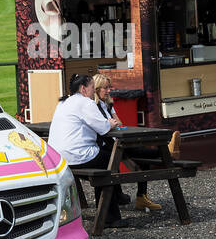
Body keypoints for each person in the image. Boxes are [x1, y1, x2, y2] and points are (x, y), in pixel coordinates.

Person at [48, 73, 126, 227]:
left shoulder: (63, 103)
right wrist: (110, 123)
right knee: (110, 160)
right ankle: (109, 217)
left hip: (59, 158)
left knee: (107, 156)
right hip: (78, 157)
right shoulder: (86, 103)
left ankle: (117, 198)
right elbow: (103, 128)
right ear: (83, 89)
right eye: (92, 87)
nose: (93, 91)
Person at [93, 74, 161, 212]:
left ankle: (141, 197)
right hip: (104, 146)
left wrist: (111, 124)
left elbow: (119, 123)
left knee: (142, 157)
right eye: (105, 88)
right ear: (96, 88)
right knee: (140, 154)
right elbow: (103, 127)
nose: (108, 91)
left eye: (109, 88)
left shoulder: (107, 104)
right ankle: (164, 153)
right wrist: (110, 124)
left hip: (114, 142)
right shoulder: (92, 106)